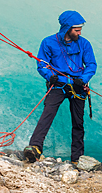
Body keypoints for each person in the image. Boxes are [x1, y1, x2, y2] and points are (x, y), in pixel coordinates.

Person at [24, 11, 97, 164]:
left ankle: (76, 158)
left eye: (80, 29)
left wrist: (82, 79)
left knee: (78, 122)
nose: (79, 32)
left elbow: (91, 65)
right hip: (58, 84)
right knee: (47, 114)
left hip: (78, 85)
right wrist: (50, 76)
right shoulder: (48, 42)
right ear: (67, 28)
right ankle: (35, 148)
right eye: (76, 29)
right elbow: (42, 64)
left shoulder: (84, 44)